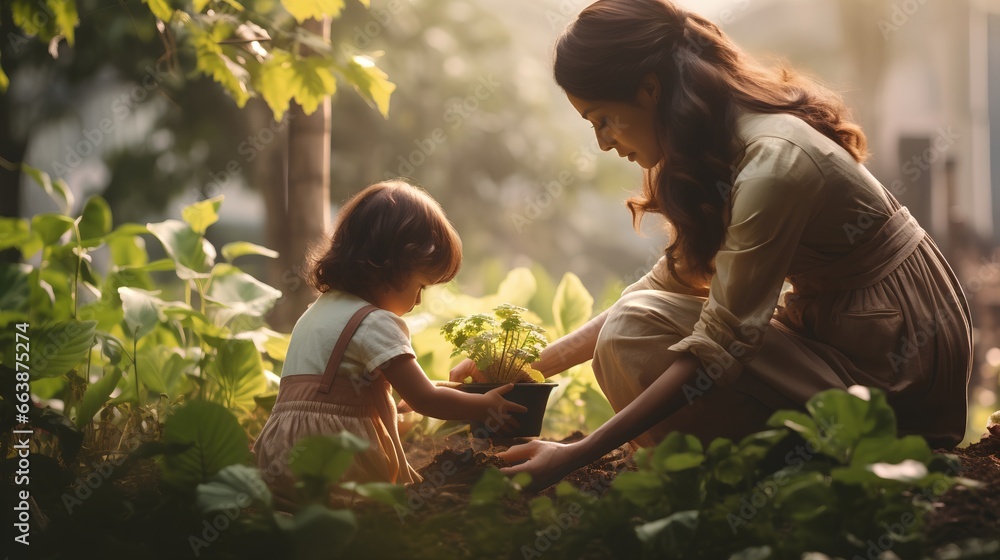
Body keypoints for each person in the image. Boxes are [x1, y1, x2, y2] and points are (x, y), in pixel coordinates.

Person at [451, 0, 973, 491]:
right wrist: (525, 368)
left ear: (650, 89)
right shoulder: (726, 147)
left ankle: (803, 471)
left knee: (632, 333)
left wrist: (576, 453)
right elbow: (667, 283)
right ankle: (764, 469)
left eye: (602, 118)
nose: (603, 142)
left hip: (897, 354)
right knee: (633, 320)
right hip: (847, 328)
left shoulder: (774, 161)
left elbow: (720, 346)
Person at [253, 180, 526, 511]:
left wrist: (449, 390)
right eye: (421, 285)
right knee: (376, 516)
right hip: (337, 458)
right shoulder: (375, 322)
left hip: (284, 454)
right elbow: (424, 398)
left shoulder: (317, 312)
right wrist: (482, 405)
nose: (419, 300)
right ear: (391, 267)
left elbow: (376, 388)